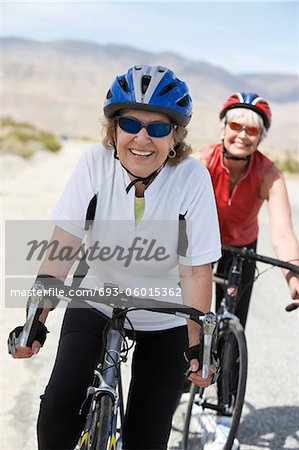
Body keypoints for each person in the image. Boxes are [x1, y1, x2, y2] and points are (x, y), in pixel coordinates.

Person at [8, 65, 221, 450]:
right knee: (57, 409)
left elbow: (196, 270)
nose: (142, 138)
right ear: (114, 130)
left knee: (147, 437)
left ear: (175, 137)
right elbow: (63, 246)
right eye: (130, 124)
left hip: (166, 314)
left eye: (158, 128)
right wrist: (34, 321)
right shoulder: (94, 162)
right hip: (95, 300)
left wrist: (197, 349)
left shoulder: (192, 177)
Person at [193, 91, 299, 449]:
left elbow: (282, 230)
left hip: (242, 249)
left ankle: (224, 414)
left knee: (232, 327)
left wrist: (293, 272)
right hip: (199, 243)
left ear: (261, 137)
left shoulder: (269, 173)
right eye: (235, 125)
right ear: (223, 128)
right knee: (190, 318)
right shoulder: (200, 162)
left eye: (251, 131)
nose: (242, 134)